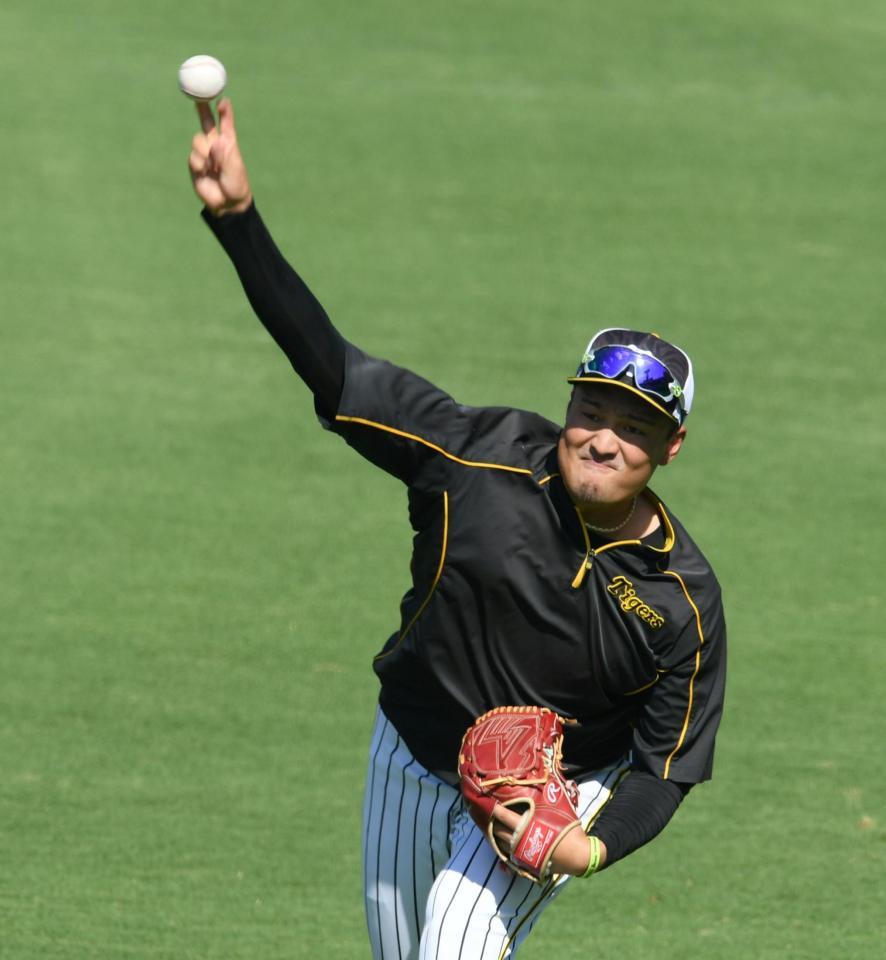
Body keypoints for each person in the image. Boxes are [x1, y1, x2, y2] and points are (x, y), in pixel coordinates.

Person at [187, 98, 727, 959]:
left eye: (636, 426)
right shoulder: (473, 455)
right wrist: (238, 223)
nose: (604, 436)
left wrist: (585, 847)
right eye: (592, 407)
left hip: (541, 796)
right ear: (569, 403)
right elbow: (336, 373)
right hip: (409, 752)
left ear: (671, 446)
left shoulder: (680, 601)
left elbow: (665, 767)